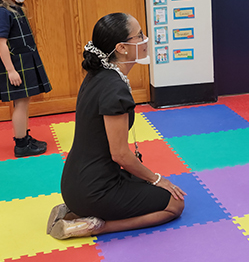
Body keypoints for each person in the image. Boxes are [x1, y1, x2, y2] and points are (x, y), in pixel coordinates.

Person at [48, 13, 185, 240]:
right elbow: (120, 154)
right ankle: (95, 225)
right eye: (139, 35)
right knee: (174, 205)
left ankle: (74, 212)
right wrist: (158, 179)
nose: (145, 39)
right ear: (121, 47)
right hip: (93, 190)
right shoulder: (114, 88)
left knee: (152, 188)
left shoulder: (99, 74)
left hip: (76, 181)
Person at [0, 0, 51, 157]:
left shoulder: (16, 8)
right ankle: (21, 144)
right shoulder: (2, 12)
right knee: (21, 104)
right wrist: (10, 70)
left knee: (24, 102)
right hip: (16, 65)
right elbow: (1, 43)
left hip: (26, 61)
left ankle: (24, 137)